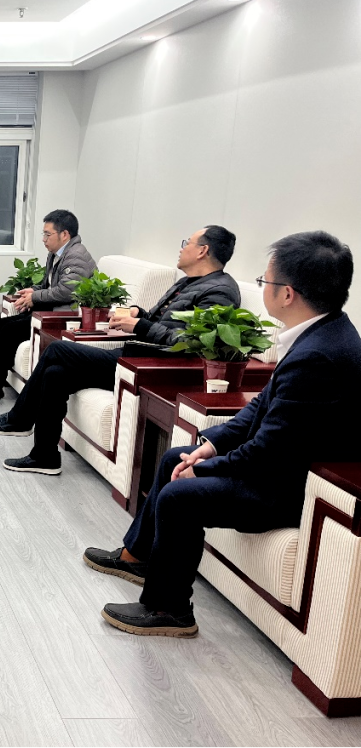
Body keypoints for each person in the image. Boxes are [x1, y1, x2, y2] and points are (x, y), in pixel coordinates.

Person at [85, 231, 361, 636]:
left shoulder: (318, 356)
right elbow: (259, 409)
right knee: (176, 456)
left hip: (294, 490)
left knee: (180, 495)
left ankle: (170, 610)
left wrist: (207, 468)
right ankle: (138, 557)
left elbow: (269, 450)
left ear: (287, 294)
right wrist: (210, 446)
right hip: (283, 468)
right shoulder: (322, 333)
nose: (262, 287)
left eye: (265, 281)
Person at [0, 225, 242, 475]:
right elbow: (163, 322)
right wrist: (139, 314)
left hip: (151, 367)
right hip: (137, 356)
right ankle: (44, 456)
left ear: (202, 251)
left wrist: (140, 325)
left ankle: (19, 419)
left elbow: (193, 342)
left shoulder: (220, 292)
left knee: (58, 349)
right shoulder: (188, 282)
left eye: (187, 243)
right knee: (55, 374)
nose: (182, 248)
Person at [0, 209, 95, 401]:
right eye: (43, 234)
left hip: (60, 318)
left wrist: (35, 297)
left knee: (9, 331)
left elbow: (66, 291)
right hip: (48, 310)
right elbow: (48, 286)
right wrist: (32, 291)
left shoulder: (76, 256)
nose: (43, 239)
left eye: (48, 234)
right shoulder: (57, 253)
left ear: (64, 234)